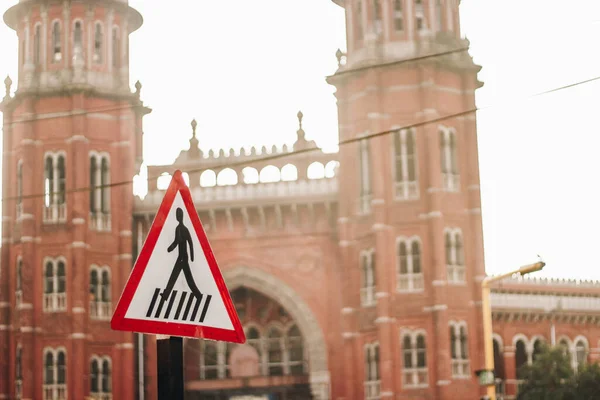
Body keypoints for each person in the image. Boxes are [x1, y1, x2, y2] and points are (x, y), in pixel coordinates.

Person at [161, 207, 203, 300]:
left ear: (180, 217)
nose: (178, 217)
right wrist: (191, 256)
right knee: (183, 278)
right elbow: (190, 242)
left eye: (178, 215)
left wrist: (169, 248)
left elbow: (178, 241)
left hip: (182, 257)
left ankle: (198, 295)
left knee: (178, 277)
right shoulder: (185, 229)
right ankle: (198, 295)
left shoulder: (179, 229)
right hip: (184, 256)